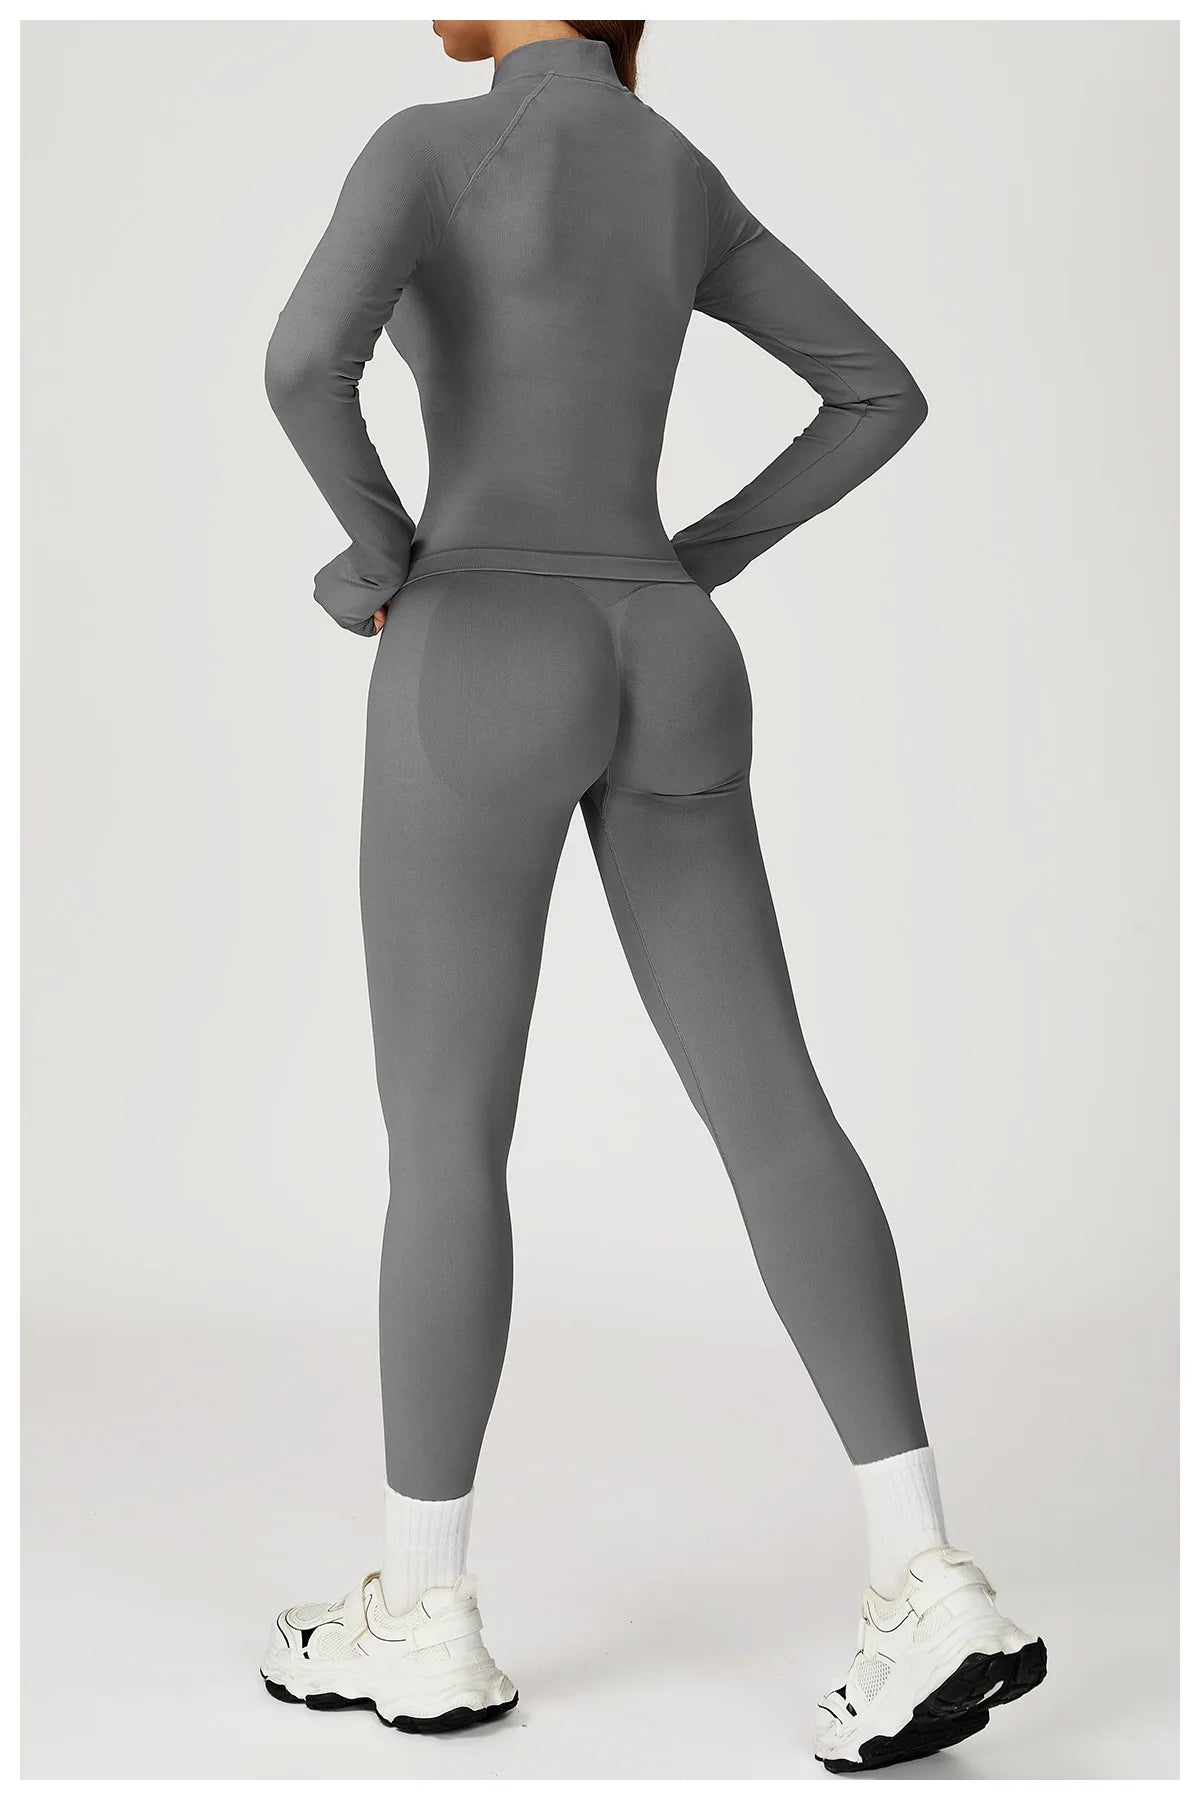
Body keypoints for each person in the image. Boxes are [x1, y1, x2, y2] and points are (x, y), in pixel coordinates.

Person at [261, 18, 1045, 1771]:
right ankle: (927, 1576)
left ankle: (422, 1616)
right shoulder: (679, 171)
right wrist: (689, 565)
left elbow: (305, 360)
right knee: (776, 1108)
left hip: (477, 644)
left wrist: (382, 556)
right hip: (671, 652)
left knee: (446, 1136)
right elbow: (879, 393)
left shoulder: (428, 141)